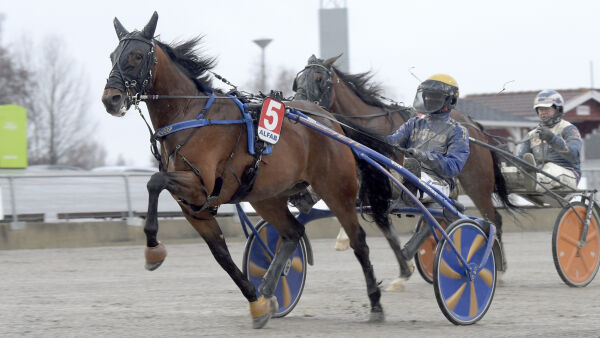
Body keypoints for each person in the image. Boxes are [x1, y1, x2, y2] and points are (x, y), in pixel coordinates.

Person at [387, 74, 470, 203]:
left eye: (436, 96)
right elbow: (392, 142)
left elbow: (453, 167)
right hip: (408, 174)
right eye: (428, 95)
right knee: (381, 175)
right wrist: (373, 138)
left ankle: (411, 189)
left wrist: (424, 156)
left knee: (411, 177)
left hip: (439, 182)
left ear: (451, 99)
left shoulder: (458, 131)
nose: (430, 99)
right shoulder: (413, 123)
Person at [516, 90, 582, 191]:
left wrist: (552, 138)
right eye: (540, 109)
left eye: (547, 109)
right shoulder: (532, 134)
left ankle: (534, 182)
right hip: (541, 173)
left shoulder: (569, 129)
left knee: (550, 169)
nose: (543, 113)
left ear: (558, 110)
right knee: (515, 171)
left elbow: (574, 155)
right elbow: (521, 159)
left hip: (568, 174)